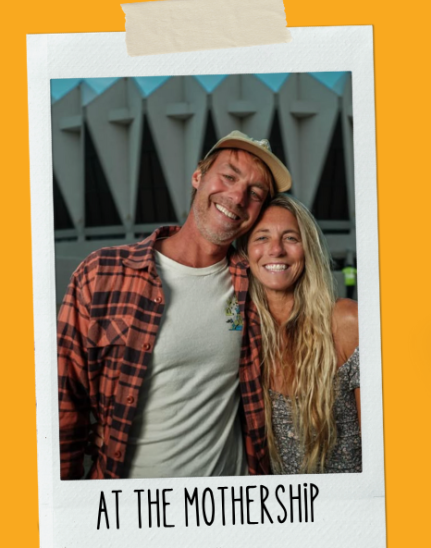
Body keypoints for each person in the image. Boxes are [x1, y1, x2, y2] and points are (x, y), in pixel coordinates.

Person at [57, 131, 292, 479]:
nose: (238, 196)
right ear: (198, 177)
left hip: (230, 513)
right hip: (132, 511)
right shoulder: (101, 273)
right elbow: (64, 404)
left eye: (255, 193)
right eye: (228, 176)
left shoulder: (253, 284)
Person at [242, 194, 360, 473]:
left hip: (349, 512)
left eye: (290, 238)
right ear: (245, 252)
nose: (276, 250)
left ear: (307, 249)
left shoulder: (346, 321)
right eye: (261, 237)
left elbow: (387, 451)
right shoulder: (241, 334)